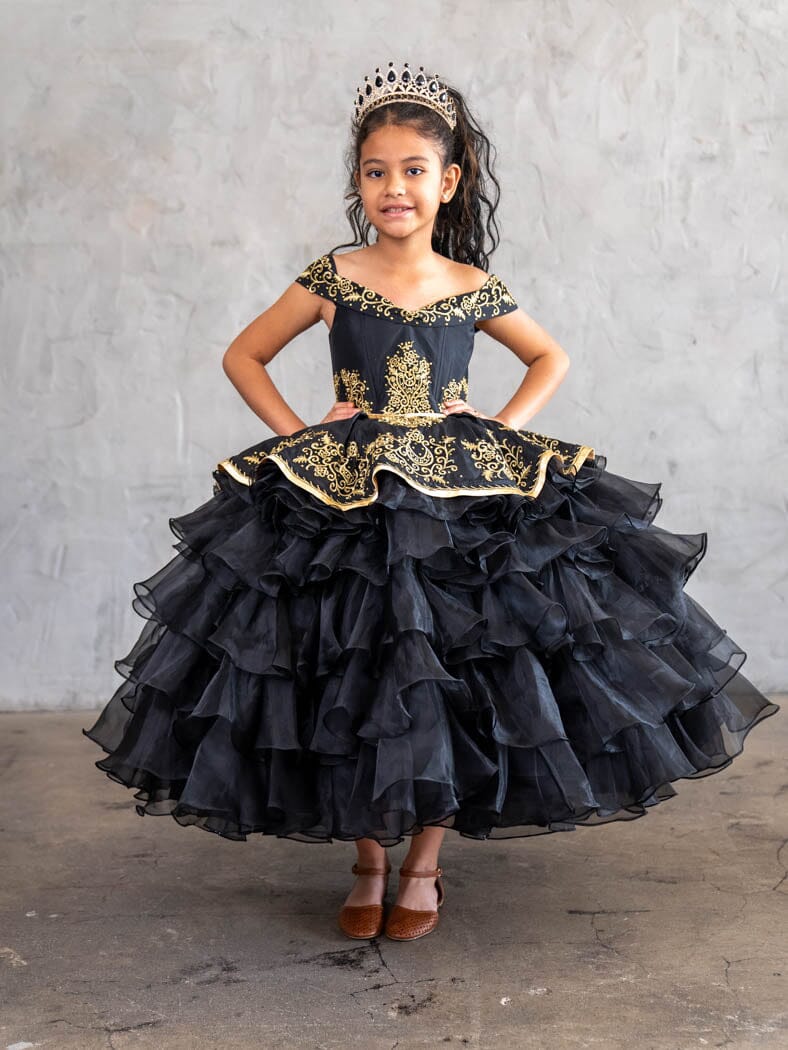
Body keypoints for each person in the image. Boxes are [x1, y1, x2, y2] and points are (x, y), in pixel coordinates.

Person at [84, 61, 779, 943]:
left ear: (447, 182)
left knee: (454, 667)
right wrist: (300, 431)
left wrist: (502, 426)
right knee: (349, 664)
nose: (394, 188)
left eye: (413, 170)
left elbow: (550, 357)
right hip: (345, 484)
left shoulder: (469, 283)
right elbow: (242, 355)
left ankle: (423, 864)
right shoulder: (333, 276)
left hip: (457, 488)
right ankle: (368, 860)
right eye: (376, 171)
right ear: (358, 183)